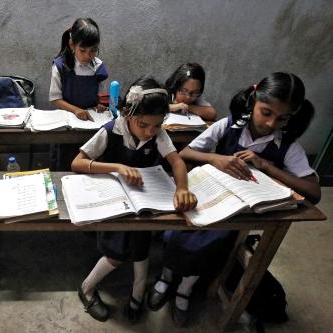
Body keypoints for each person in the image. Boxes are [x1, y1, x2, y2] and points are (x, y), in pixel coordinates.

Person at [148, 72, 321, 326]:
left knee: (211, 242)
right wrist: (217, 158)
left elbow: (314, 192)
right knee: (177, 232)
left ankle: (184, 289)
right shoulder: (228, 126)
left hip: (236, 214)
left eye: (283, 118)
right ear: (253, 101)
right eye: (266, 112)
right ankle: (165, 278)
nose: (272, 123)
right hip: (207, 197)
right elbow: (186, 152)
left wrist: (266, 166)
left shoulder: (287, 146)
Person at [72, 77, 197, 323]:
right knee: (115, 255)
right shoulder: (111, 131)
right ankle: (86, 288)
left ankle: (136, 298)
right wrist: (117, 166)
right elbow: (77, 163)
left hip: (144, 206)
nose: (150, 131)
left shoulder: (157, 134)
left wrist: (182, 188)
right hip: (116, 206)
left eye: (157, 124)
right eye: (143, 124)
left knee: (141, 253)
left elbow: (177, 162)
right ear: (127, 113)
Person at [49, 17, 108, 121]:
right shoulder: (60, 66)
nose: (87, 56)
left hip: (91, 118)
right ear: (72, 45)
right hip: (67, 118)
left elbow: (100, 97)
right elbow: (55, 99)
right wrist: (75, 110)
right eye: (83, 50)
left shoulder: (99, 67)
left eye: (93, 50)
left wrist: (99, 105)